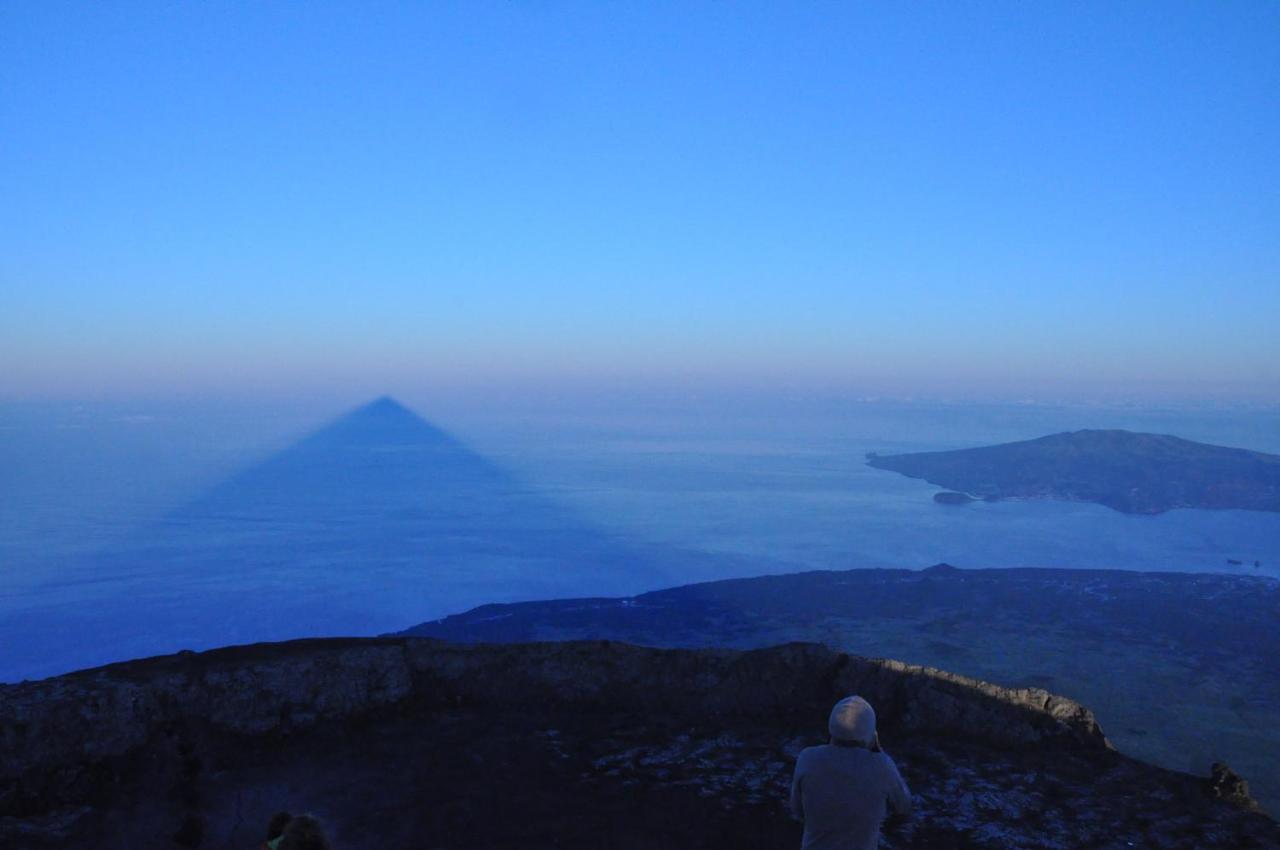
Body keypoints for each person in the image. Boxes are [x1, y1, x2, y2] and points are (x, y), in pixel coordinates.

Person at [790, 696, 911, 850]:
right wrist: (878, 750)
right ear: (871, 735)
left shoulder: (807, 758)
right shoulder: (882, 765)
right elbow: (904, 806)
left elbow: (796, 809)